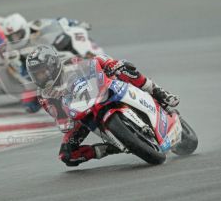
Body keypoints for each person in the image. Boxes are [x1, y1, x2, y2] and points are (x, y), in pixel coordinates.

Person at [26, 44, 180, 167]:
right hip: (80, 114)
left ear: (52, 65)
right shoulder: (44, 95)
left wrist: (110, 65)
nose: (40, 78)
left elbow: (95, 60)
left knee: (124, 68)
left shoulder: (72, 63)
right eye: (36, 75)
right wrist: (65, 121)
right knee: (67, 156)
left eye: (41, 72)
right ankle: (110, 148)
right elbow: (57, 115)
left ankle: (158, 92)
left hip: (102, 90)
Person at [2, 13, 100, 113]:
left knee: (74, 43)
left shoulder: (37, 25)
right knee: (30, 106)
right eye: (11, 37)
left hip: (56, 55)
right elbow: (21, 73)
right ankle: (63, 109)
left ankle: (95, 60)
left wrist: (76, 24)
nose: (15, 39)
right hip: (40, 73)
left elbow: (60, 21)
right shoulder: (11, 52)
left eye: (18, 35)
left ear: (24, 28)